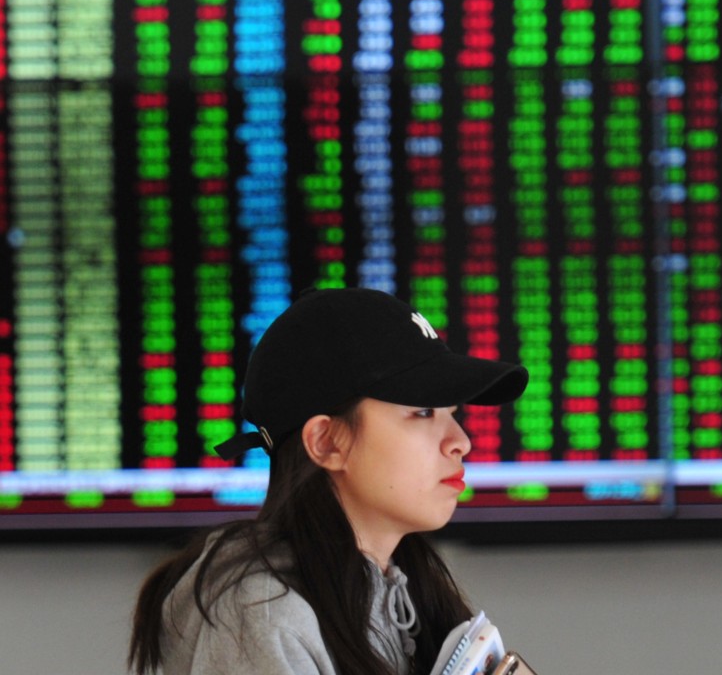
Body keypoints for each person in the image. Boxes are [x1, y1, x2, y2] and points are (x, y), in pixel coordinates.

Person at [128, 287, 529, 674]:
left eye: (452, 413)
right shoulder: (265, 615)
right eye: (423, 412)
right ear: (326, 442)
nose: (461, 441)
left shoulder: (405, 589)